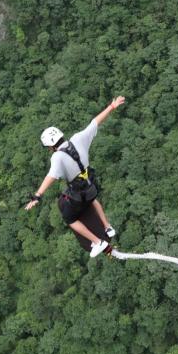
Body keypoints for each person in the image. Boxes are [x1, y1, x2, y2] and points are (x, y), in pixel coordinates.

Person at [25, 96, 125, 257]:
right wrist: (112, 106)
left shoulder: (57, 157)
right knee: (93, 199)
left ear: (51, 146)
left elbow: (50, 177)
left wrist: (37, 196)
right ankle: (108, 226)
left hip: (79, 195)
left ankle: (97, 242)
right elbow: (95, 122)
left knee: (69, 219)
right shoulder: (78, 139)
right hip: (91, 184)